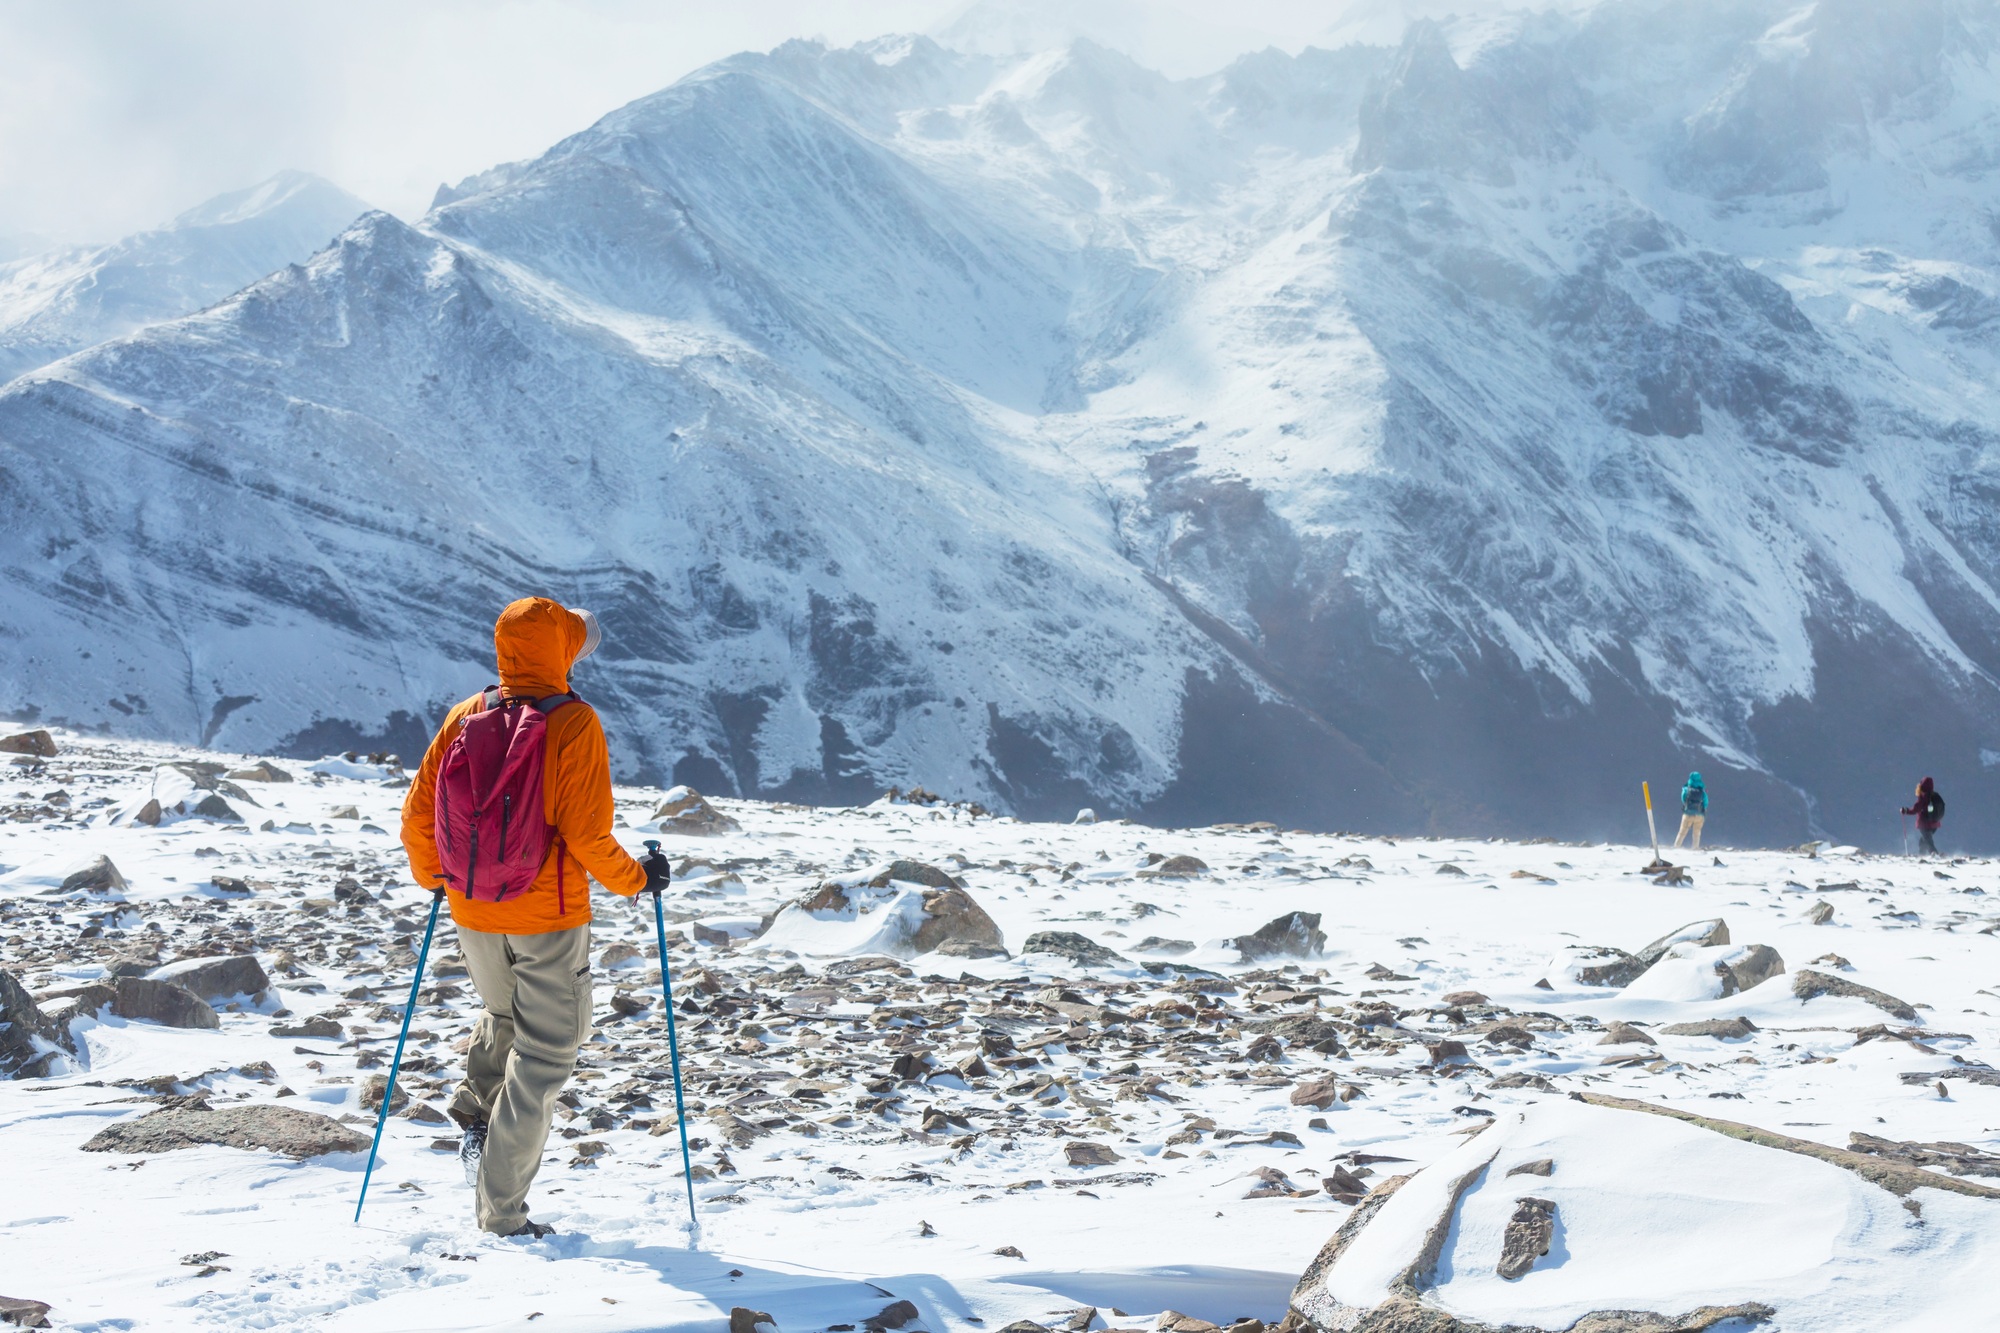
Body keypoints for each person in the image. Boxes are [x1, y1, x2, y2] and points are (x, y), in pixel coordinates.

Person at [400, 597, 670, 1237]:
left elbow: (417, 818)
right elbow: (585, 834)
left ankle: (476, 1112)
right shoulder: (574, 723)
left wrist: (442, 880)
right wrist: (640, 880)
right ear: (564, 653)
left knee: (501, 1015)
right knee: (547, 1053)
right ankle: (501, 1214)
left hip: (472, 909)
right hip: (547, 916)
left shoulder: (467, 714)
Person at [1902, 776, 1945, 857]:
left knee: (1928, 842)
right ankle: (1922, 856)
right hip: (1934, 824)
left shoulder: (1923, 797)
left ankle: (1935, 856)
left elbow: (1915, 809)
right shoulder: (1935, 796)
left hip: (1924, 824)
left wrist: (1905, 811)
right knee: (1923, 841)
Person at [1673, 771, 1707, 850]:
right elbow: (1706, 802)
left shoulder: (1686, 789)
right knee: (1696, 833)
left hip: (1688, 814)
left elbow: (1683, 798)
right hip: (1699, 815)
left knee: (1682, 832)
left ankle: (1676, 847)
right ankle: (1695, 847)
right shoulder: (1702, 791)